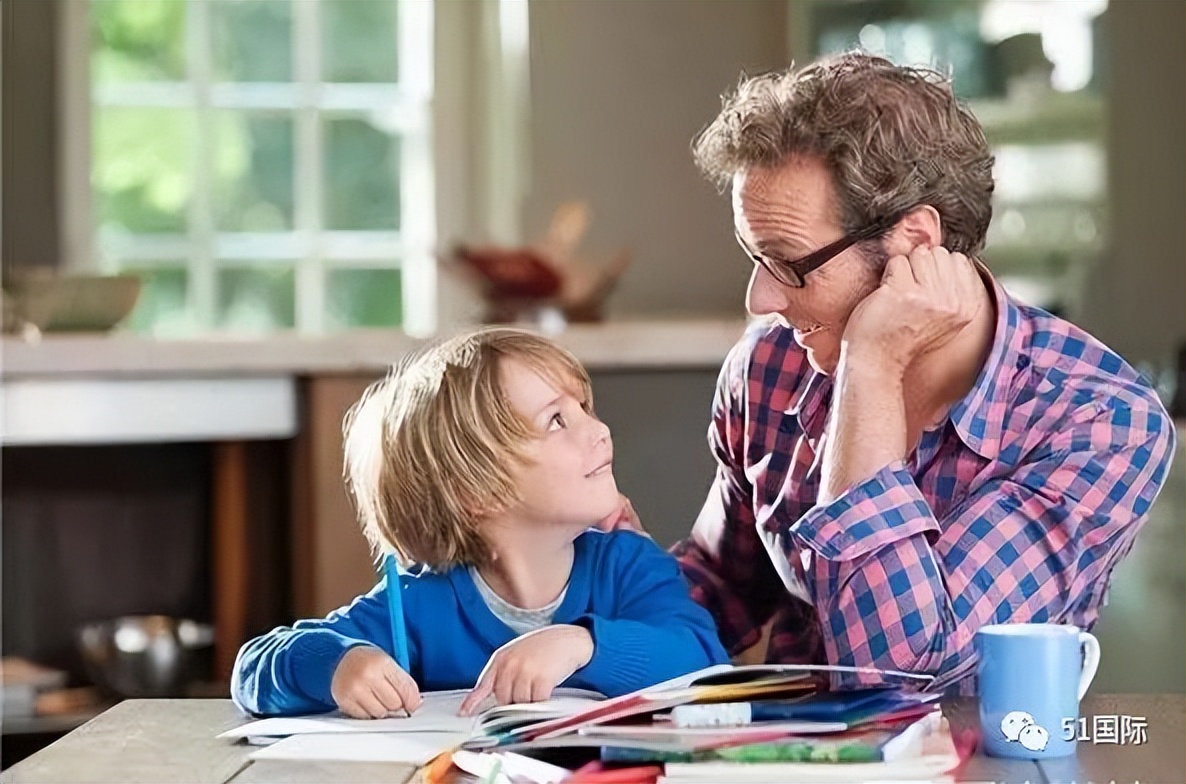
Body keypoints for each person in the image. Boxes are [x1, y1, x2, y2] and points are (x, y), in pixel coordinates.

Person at [654, 52, 1174, 694]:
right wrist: (584, 617)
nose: (759, 300)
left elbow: (899, 670)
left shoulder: (1099, 421)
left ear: (916, 243)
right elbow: (720, 582)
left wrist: (870, 370)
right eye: (752, 256)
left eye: (788, 263)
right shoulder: (769, 367)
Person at [232, 328, 728, 718]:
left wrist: (583, 645)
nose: (599, 430)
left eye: (585, 408)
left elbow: (707, 664)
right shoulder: (420, 606)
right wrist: (337, 666)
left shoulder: (630, 566)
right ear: (478, 492)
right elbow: (253, 666)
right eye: (556, 420)